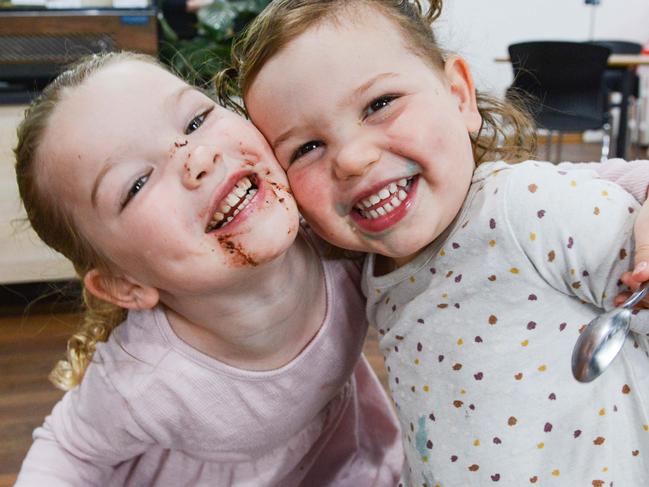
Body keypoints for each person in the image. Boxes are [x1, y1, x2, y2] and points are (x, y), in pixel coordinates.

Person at [218, 0, 649, 484]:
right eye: (307, 148)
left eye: (379, 104)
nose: (353, 159)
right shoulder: (371, 269)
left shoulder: (527, 206)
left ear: (459, 95)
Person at [13, 51, 404, 486]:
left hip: (345, 462)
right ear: (124, 283)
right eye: (137, 184)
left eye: (196, 121)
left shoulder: (338, 236)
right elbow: (68, 450)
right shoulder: (144, 380)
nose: (196, 157)